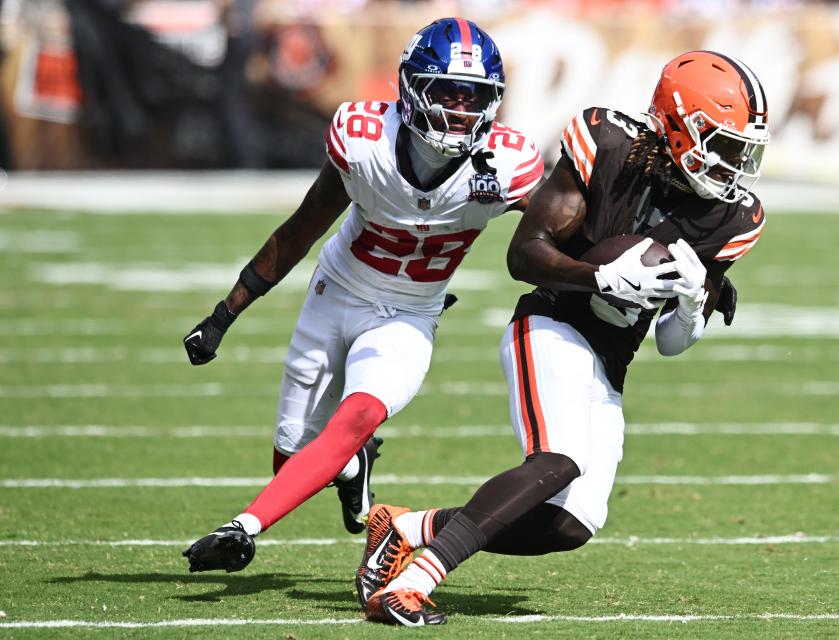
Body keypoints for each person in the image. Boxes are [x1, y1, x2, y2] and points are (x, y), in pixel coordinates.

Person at [357, 50, 769, 626]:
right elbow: (523, 255)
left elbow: (672, 344)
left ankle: (405, 527)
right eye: (721, 145)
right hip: (550, 324)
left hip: (611, 363)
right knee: (558, 461)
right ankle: (411, 585)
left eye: (740, 149)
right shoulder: (608, 146)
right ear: (676, 124)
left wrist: (693, 303)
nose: (732, 165)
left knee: (571, 525)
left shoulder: (733, 217)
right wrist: (599, 275)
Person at [181, 17, 543, 572]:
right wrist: (223, 314)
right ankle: (352, 469)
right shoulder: (364, 139)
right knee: (292, 461)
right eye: (446, 91)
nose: (460, 109)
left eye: (474, 97)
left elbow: (561, 229)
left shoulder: (508, 164)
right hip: (338, 291)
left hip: (411, 313)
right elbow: (301, 228)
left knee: (359, 415)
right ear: (411, 87)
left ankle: (243, 525)